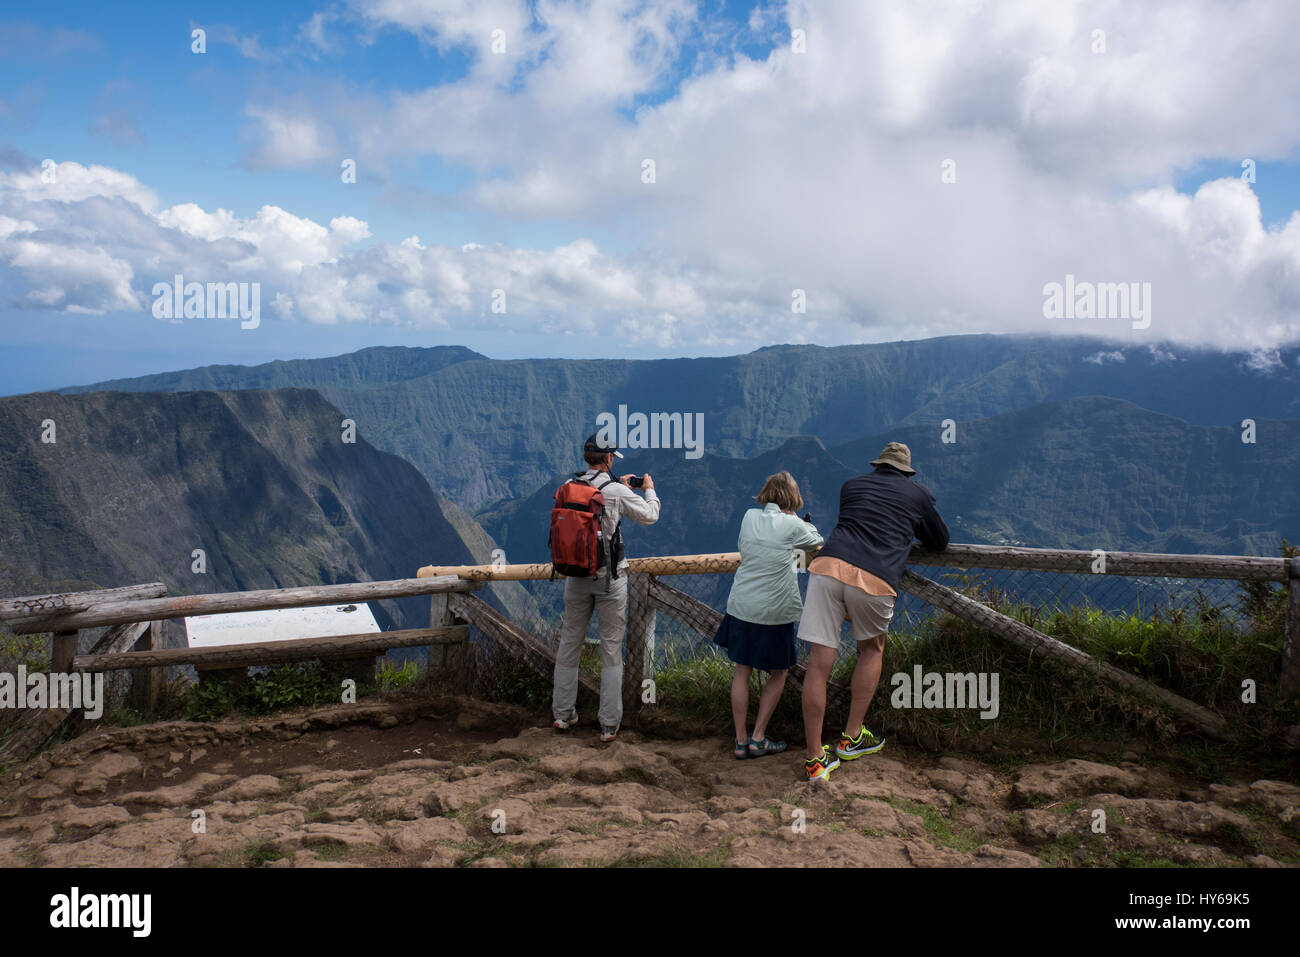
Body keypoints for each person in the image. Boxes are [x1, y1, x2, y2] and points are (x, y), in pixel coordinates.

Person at [797, 442, 949, 781]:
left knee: (819, 663)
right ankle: (851, 737)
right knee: (871, 648)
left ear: (877, 465)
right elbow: (939, 541)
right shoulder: (918, 495)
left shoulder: (851, 486)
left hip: (827, 567)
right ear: (906, 471)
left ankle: (814, 760)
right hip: (875, 576)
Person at [552, 433, 661, 743]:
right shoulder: (614, 491)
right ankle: (608, 724)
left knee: (570, 642)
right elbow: (650, 516)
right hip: (609, 579)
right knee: (611, 648)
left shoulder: (567, 488)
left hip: (575, 577)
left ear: (587, 458)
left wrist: (619, 487)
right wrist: (649, 490)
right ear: (609, 459)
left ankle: (562, 714)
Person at [713, 471, 822, 759]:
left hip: (742, 605)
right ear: (792, 499)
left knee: (742, 670)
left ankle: (739, 740)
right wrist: (797, 521)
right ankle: (758, 737)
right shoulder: (793, 524)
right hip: (775, 611)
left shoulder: (749, 516)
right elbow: (816, 540)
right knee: (779, 671)